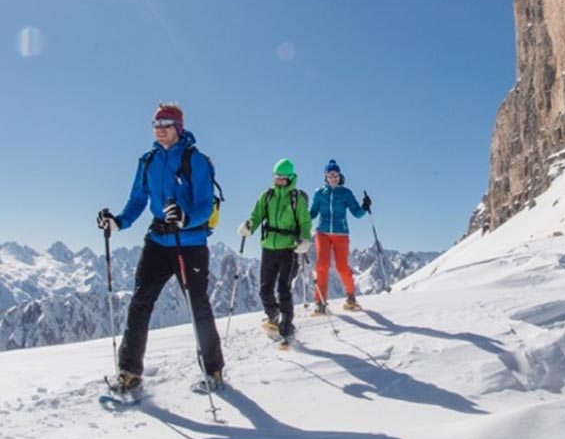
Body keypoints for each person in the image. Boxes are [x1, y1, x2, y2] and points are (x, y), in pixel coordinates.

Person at [96, 103, 225, 394]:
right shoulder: (148, 161)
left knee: (198, 306)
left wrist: (185, 218)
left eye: (166, 124)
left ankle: (213, 370)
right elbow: (137, 200)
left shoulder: (196, 160)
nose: (159, 129)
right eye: (155, 124)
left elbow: (205, 204)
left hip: (189, 243)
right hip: (157, 241)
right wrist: (118, 222)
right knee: (140, 302)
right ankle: (129, 373)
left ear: (178, 127)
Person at [238, 158, 312, 343]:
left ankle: (287, 329)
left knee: (283, 290)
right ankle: (273, 315)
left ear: (290, 178)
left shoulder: (296, 199)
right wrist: (249, 226)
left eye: (282, 177)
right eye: (276, 176)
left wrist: (305, 239)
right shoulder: (267, 196)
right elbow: (256, 216)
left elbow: (305, 222)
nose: (278, 180)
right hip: (268, 248)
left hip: (288, 249)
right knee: (265, 290)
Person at [310, 159, 370, 313]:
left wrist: (365, 207)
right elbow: (313, 213)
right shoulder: (319, 193)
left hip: (341, 233)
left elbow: (357, 213)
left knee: (341, 267)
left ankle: (351, 296)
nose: (333, 178)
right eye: (330, 175)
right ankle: (320, 302)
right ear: (325, 176)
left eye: (336, 175)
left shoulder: (346, 193)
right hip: (322, 233)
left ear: (340, 175)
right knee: (322, 266)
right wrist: (301, 213)